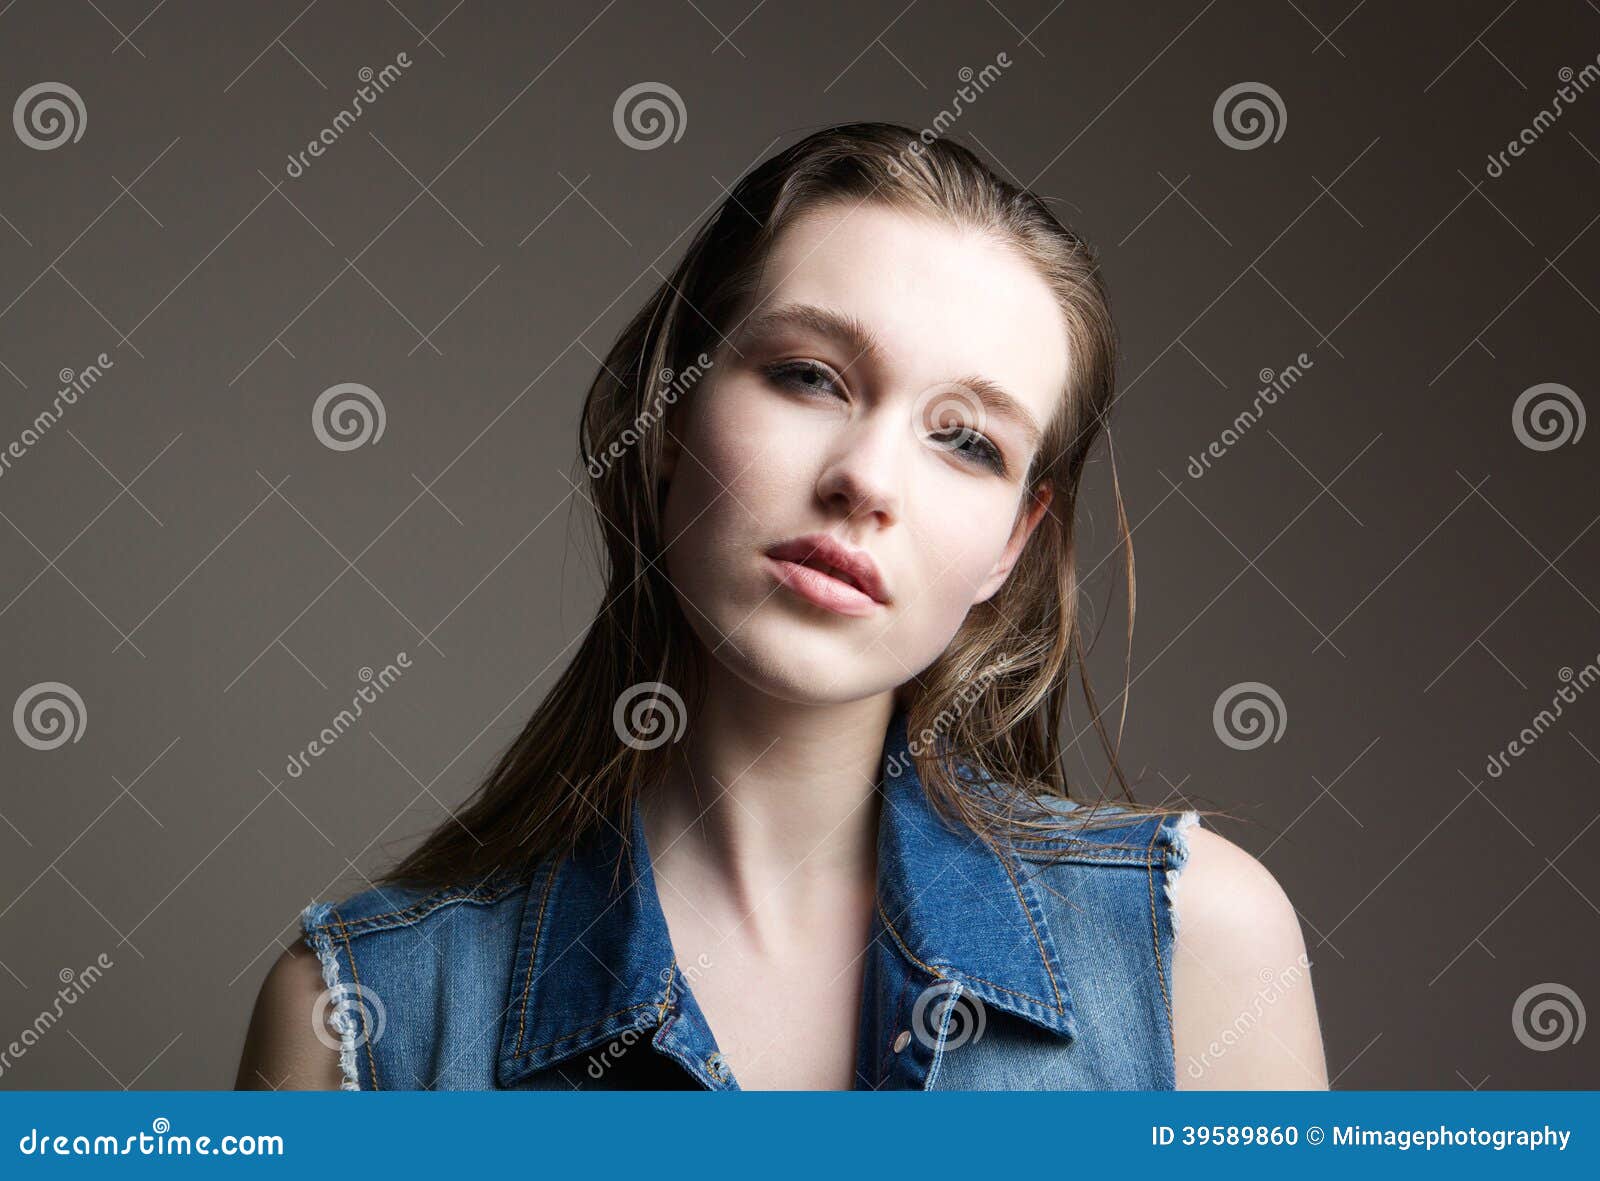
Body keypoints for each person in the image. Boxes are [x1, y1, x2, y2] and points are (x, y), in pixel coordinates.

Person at [236, 122, 1328, 1092]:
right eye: (810, 374)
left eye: (966, 439)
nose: (867, 478)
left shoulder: (1195, 949)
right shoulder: (356, 1019)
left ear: (1010, 543)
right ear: (665, 413)